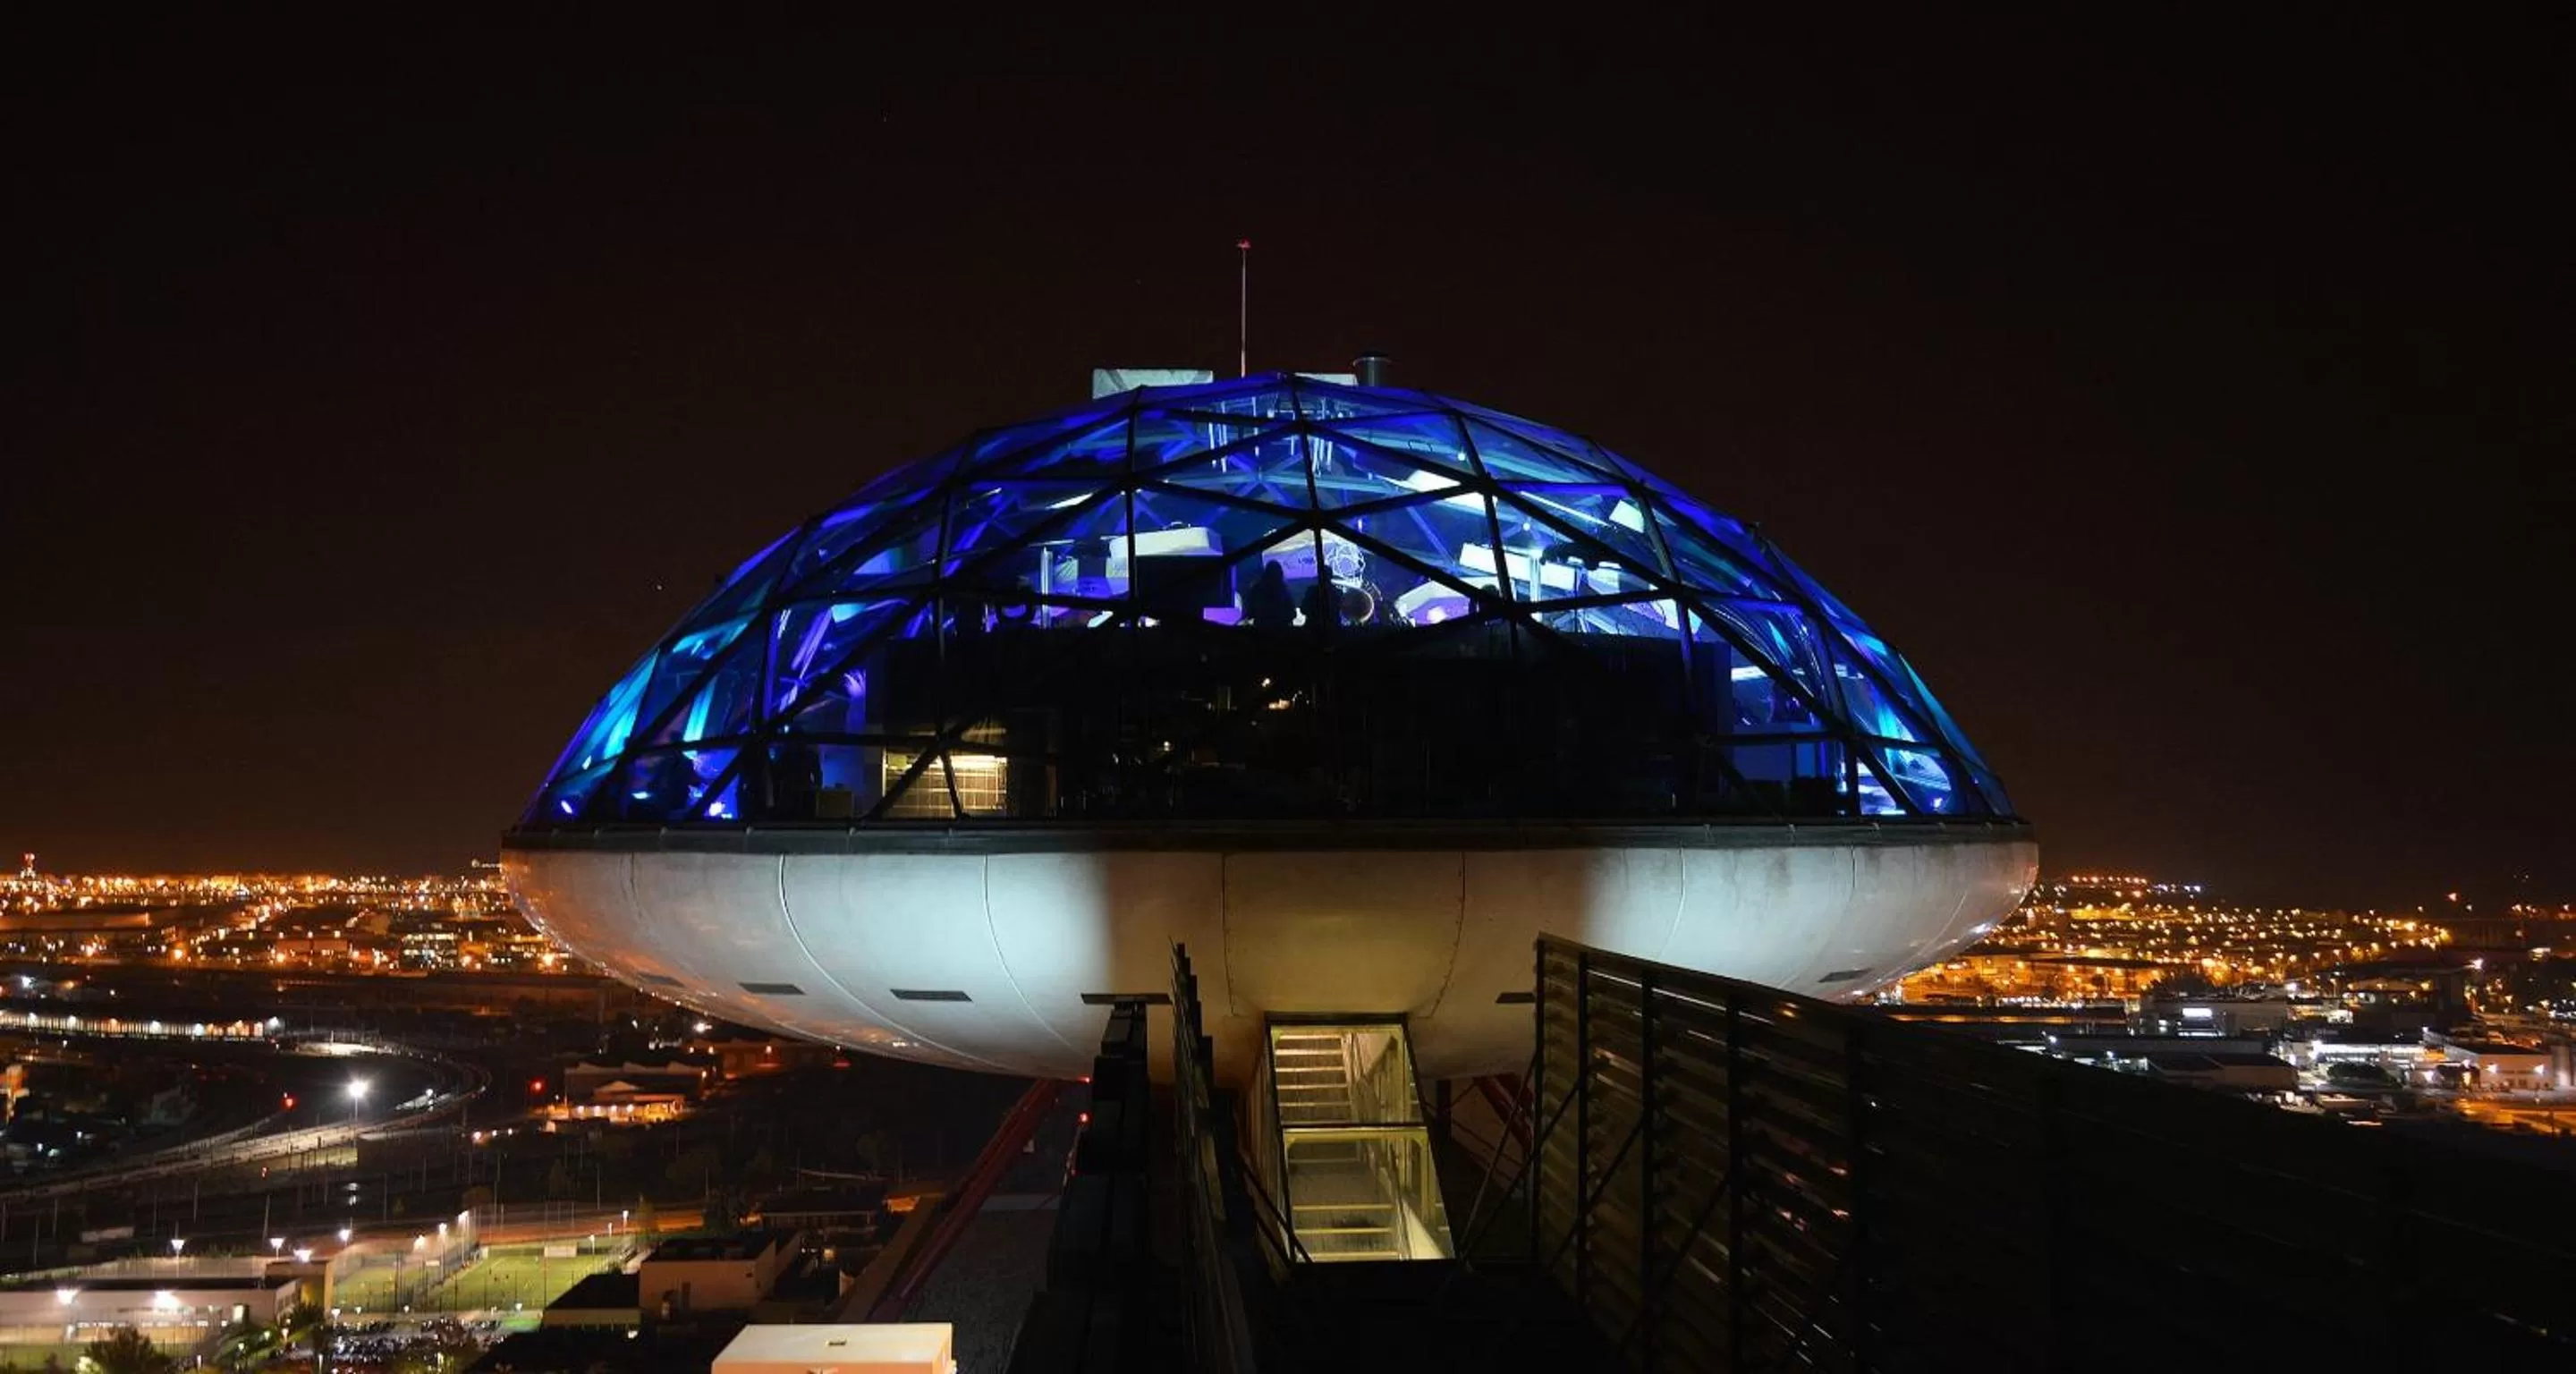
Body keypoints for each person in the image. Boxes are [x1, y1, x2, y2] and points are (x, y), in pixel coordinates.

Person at [1243, 560, 1296, 632]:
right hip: (1281, 631)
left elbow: (1250, 612)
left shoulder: (1256, 588)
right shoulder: (1283, 588)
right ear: (1280, 573)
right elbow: (1292, 613)